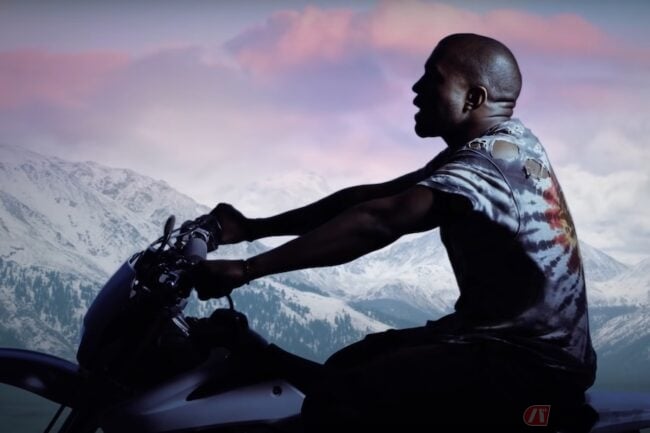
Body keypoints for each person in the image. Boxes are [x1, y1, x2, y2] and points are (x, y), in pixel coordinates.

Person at [194, 33, 597, 430]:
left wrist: (248, 269)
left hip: (529, 366)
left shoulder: (490, 161)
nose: (416, 89)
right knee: (351, 364)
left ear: (473, 98)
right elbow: (370, 198)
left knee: (343, 399)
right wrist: (252, 227)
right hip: (501, 344)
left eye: (433, 78)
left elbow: (381, 219)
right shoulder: (497, 146)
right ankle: (259, 357)